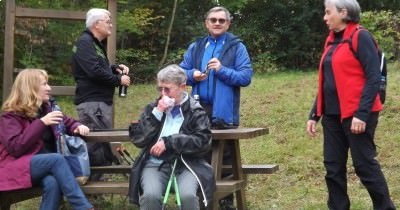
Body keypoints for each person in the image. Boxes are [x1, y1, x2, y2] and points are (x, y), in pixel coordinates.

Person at [306, 0, 396, 209]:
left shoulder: (360, 36)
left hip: (357, 115)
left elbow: (373, 77)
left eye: (328, 13)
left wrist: (361, 114)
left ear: (343, 12)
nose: (325, 18)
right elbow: (327, 82)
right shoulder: (331, 41)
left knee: (364, 166)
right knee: (333, 168)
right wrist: (314, 114)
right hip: (331, 116)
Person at [179, 6, 252, 209]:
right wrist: (192, 74)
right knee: (198, 154)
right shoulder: (196, 46)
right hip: (197, 109)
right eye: (213, 20)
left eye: (221, 20)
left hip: (224, 111)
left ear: (228, 24)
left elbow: (245, 77)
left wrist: (221, 70)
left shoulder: (237, 47)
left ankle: (226, 202)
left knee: (226, 158)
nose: (217, 23)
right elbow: (179, 72)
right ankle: (200, 200)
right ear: (206, 23)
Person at [0, 69, 94, 210]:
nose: (49, 88)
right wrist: (41, 123)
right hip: (13, 166)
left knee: (53, 182)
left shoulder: (46, 109)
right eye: (44, 84)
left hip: (39, 166)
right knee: (56, 159)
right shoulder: (10, 116)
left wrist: (77, 125)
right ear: (30, 88)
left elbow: (66, 121)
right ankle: (84, 207)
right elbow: (16, 147)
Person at [128, 64, 215, 210]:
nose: (163, 94)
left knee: (188, 196)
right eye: (160, 89)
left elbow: (203, 141)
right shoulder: (153, 108)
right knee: (150, 196)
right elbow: (139, 139)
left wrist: (169, 142)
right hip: (155, 164)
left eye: (167, 89)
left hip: (187, 165)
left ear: (182, 87)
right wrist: (157, 113)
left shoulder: (195, 111)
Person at [71, 8, 131, 169]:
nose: (111, 25)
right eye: (107, 21)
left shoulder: (95, 44)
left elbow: (98, 67)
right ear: (96, 24)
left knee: (101, 144)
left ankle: (97, 188)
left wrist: (114, 68)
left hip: (98, 102)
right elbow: (93, 72)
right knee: (95, 146)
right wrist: (119, 80)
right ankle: (91, 191)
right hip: (92, 103)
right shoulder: (85, 42)